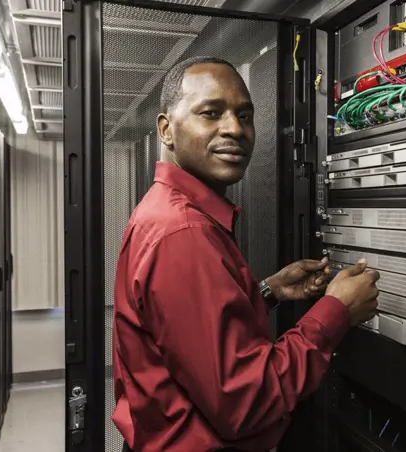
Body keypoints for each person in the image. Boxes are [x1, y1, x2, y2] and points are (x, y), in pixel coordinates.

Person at [112, 56, 380, 452]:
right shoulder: (183, 232)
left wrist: (267, 291)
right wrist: (336, 311)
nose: (234, 129)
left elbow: (190, 340)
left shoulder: (167, 210)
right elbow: (246, 402)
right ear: (166, 130)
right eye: (210, 113)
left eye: (244, 115)